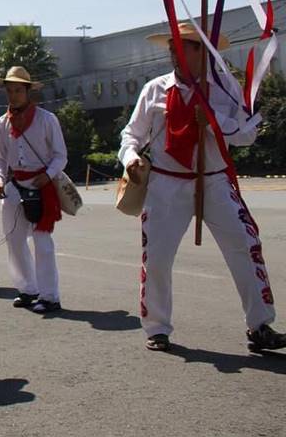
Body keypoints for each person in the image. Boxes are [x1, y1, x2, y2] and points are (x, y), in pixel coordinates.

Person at [119, 23, 284, 353]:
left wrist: (214, 122)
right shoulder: (155, 90)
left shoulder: (224, 88)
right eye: (172, 48)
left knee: (244, 243)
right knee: (158, 257)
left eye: (182, 47)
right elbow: (130, 135)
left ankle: (260, 324)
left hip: (214, 178)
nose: (174, 54)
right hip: (167, 182)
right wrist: (132, 157)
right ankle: (157, 326)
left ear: (201, 52)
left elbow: (248, 133)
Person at [0, 66, 68, 314]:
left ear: (27, 91)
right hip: (14, 186)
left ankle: (49, 296)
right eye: (9, 90)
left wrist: (47, 176)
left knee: (43, 242)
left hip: (42, 185)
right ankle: (27, 289)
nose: (13, 95)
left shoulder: (47, 119)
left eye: (17, 90)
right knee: (14, 241)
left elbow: (60, 155)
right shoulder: (2, 123)